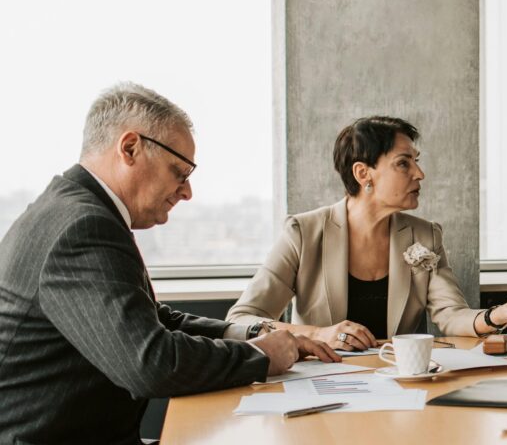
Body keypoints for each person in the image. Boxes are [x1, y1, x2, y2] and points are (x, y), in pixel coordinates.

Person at [0, 83, 337, 443]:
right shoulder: (83, 226)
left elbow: (153, 319)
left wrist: (253, 333)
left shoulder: (73, 210)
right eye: (180, 171)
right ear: (129, 148)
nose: (187, 192)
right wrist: (260, 357)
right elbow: (150, 364)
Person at [227, 116, 507, 350]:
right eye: (404, 163)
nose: (420, 173)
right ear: (364, 173)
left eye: (416, 161)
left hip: (399, 387)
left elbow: (451, 316)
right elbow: (242, 319)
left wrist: (500, 314)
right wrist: (318, 334)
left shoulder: (426, 236)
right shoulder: (303, 232)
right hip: (317, 387)